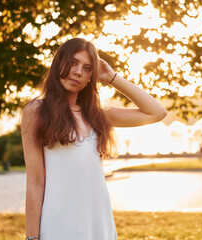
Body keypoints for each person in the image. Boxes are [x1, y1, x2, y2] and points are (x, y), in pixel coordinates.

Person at [21, 38, 167, 240]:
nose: (78, 71)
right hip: (58, 226)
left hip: (99, 225)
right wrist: (32, 237)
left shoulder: (98, 115)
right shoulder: (37, 111)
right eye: (73, 63)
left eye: (87, 68)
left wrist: (112, 77)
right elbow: (35, 182)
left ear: (92, 76)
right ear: (59, 63)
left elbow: (157, 113)